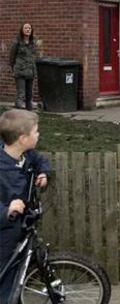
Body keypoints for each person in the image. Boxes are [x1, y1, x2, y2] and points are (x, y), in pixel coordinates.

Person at [0, 109, 49, 303]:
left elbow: (40, 160)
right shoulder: (3, 169)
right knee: (5, 272)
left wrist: (43, 173)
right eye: (36, 131)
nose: (38, 134)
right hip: (4, 232)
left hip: (20, 225)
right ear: (23, 138)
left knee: (16, 270)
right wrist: (7, 210)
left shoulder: (25, 155)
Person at [9, 23, 38, 110]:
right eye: (26, 28)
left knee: (29, 95)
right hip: (20, 72)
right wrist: (15, 68)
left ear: (31, 30)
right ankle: (18, 117)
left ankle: (28, 116)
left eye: (29, 28)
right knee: (21, 94)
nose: (28, 29)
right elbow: (11, 58)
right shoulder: (17, 42)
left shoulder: (33, 42)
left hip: (30, 72)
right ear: (22, 30)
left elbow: (33, 57)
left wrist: (33, 70)